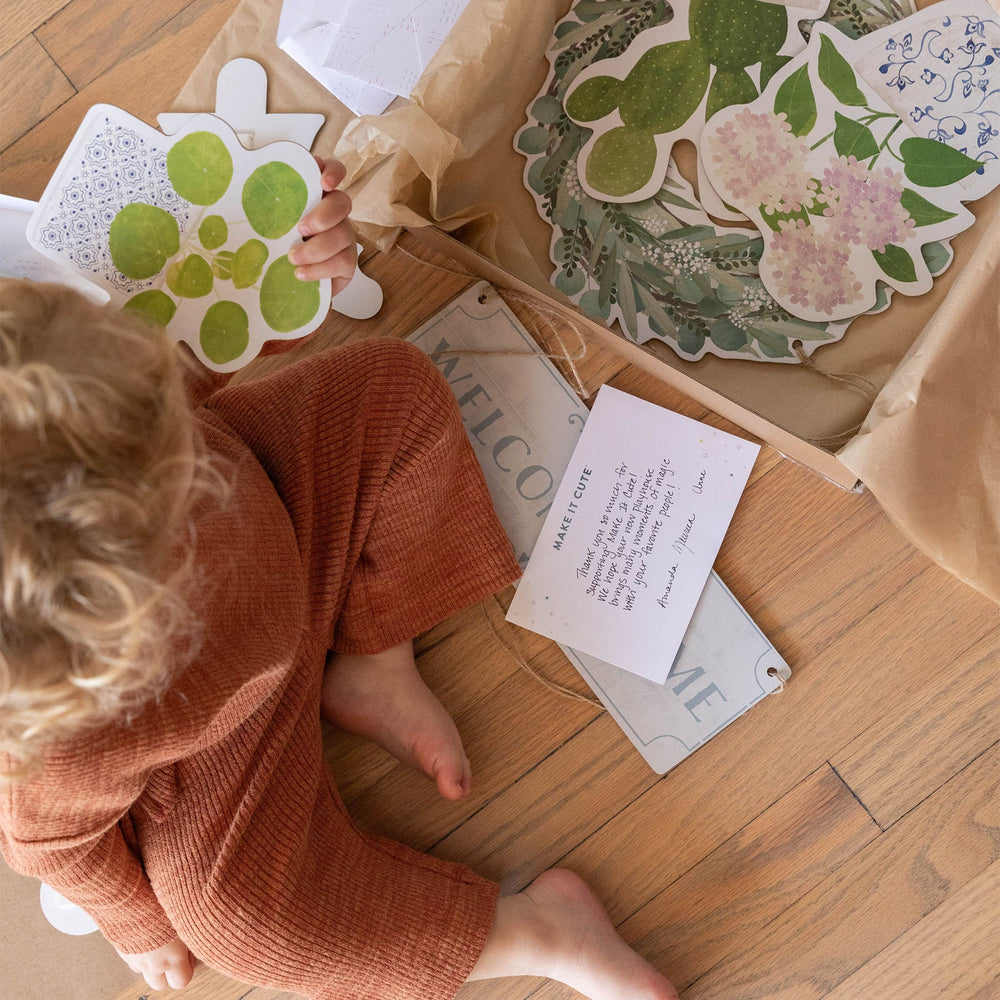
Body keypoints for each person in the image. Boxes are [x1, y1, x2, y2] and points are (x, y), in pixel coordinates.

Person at [0, 159, 678, 1000]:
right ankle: (535, 928)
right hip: (213, 745)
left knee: (395, 391)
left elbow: (197, 356)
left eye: (160, 425)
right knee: (237, 920)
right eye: (175, 490)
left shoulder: (76, 392)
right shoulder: (54, 758)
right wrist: (135, 922)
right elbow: (59, 849)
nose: (184, 446)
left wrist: (282, 253)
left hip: (279, 516)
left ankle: (374, 662)